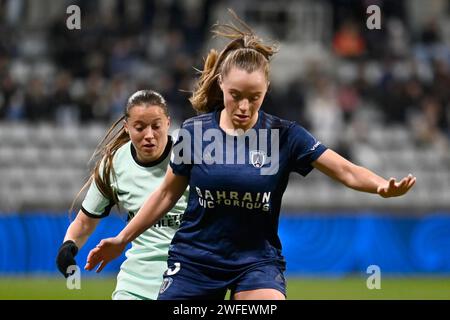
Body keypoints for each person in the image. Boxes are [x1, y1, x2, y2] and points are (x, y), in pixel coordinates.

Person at [84, 12, 416, 300]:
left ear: (266, 91)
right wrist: (121, 239)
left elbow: (344, 169)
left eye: (254, 97)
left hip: (256, 261)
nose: (244, 106)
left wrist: (380, 186)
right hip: (195, 259)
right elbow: (166, 195)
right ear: (221, 86)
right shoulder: (194, 133)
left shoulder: (285, 135)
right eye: (235, 96)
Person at [56, 90, 188, 300]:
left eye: (156, 126)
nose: (149, 135)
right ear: (127, 127)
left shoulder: (187, 157)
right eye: (139, 127)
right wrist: (68, 247)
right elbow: (84, 223)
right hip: (136, 281)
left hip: (188, 276)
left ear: (168, 123)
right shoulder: (114, 164)